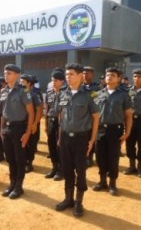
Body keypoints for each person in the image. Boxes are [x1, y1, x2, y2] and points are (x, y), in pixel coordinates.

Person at [55, 63, 99, 218]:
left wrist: (92, 140)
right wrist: (60, 137)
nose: (68, 77)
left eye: (72, 74)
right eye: (67, 74)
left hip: (81, 138)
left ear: (81, 76)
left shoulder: (89, 94)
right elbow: (61, 116)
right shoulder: (62, 93)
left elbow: (95, 117)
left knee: (80, 171)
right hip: (66, 137)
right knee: (67, 169)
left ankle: (79, 202)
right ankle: (68, 199)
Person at [93, 67, 133, 196]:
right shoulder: (97, 94)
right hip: (100, 129)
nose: (109, 77)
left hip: (115, 130)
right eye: (107, 75)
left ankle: (112, 183)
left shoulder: (124, 95)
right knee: (100, 157)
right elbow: (92, 114)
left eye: (113, 75)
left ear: (119, 78)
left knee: (113, 157)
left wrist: (127, 132)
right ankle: (102, 181)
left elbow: (128, 116)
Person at [0, 64, 34, 199]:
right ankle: (12, 183)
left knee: (19, 158)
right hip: (7, 128)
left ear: (17, 75)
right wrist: (1, 129)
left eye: (9, 73)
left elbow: (31, 113)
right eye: (5, 73)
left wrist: (27, 133)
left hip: (19, 128)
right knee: (9, 158)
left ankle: (19, 186)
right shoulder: (3, 91)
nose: (6, 76)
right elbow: (3, 112)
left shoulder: (23, 91)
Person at [44, 70, 65, 180]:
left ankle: (61, 170)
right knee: (51, 145)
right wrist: (46, 125)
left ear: (62, 81)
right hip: (51, 120)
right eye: (52, 80)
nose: (54, 82)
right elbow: (47, 108)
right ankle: (54, 167)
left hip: (61, 123)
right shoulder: (49, 92)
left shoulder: (66, 93)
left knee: (59, 146)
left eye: (56, 80)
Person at [20, 74, 43, 173]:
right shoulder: (20, 93)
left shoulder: (34, 95)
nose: (21, 83)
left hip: (32, 122)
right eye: (20, 81)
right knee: (22, 143)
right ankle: (23, 161)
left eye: (23, 81)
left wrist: (35, 124)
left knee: (31, 143)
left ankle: (29, 163)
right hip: (22, 123)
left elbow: (39, 110)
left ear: (29, 83)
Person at [83, 66, 101, 167]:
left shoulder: (96, 87)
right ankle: (84, 156)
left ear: (92, 75)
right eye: (84, 73)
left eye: (88, 73)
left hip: (92, 115)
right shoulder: (79, 86)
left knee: (91, 136)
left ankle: (90, 157)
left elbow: (96, 100)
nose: (86, 75)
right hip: (82, 116)